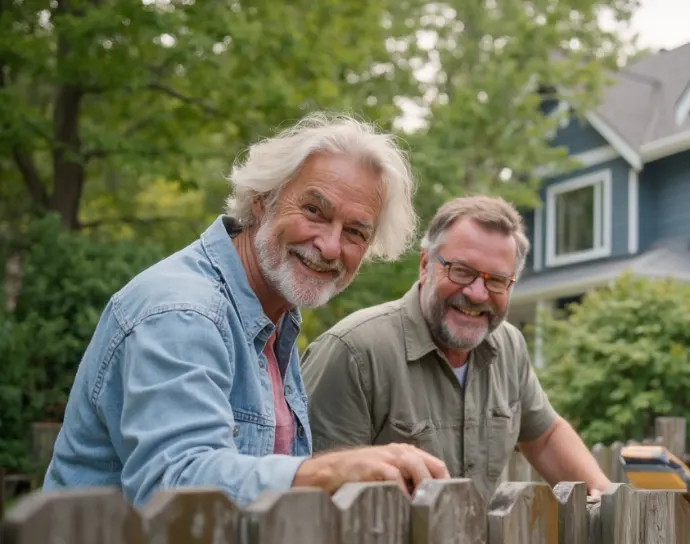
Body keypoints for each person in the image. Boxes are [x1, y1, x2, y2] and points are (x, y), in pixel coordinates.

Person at [42, 112, 450, 508]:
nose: (329, 245)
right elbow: (176, 486)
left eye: (355, 232)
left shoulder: (273, 316)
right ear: (262, 200)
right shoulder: (183, 311)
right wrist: (326, 471)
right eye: (313, 211)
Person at [300, 195, 612, 502]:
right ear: (425, 265)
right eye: (462, 271)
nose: (477, 294)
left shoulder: (509, 347)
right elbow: (312, 494)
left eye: (497, 280)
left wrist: (603, 491)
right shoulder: (354, 352)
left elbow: (544, 437)